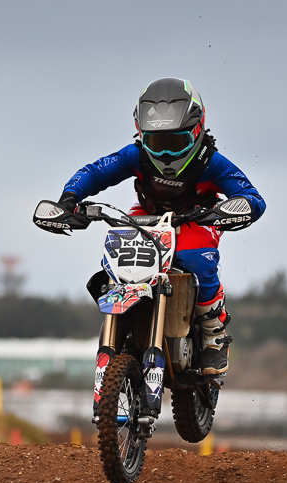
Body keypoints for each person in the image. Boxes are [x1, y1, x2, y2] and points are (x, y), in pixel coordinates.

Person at [55, 77, 266, 375]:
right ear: (142, 135)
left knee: (196, 258)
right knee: (117, 256)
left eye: (175, 142)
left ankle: (213, 334)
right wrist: (70, 199)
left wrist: (233, 209)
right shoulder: (136, 155)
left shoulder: (211, 162)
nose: (165, 154)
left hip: (197, 217)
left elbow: (252, 196)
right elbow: (96, 172)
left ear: (196, 132)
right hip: (146, 214)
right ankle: (124, 326)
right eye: (157, 143)